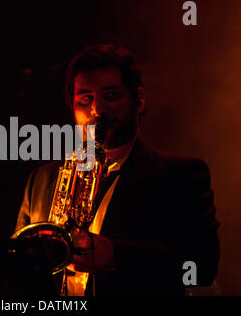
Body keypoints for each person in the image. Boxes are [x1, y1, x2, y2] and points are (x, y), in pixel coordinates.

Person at [14, 44, 220, 295]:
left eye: (110, 96)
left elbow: (202, 265)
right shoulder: (42, 179)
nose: (97, 110)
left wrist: (115, 256)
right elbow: (20, 266)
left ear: (139, 99)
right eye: (85, 98)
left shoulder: (181, 175)